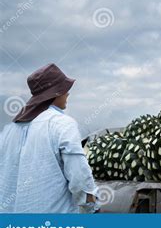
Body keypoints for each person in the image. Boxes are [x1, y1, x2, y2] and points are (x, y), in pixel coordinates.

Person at [0, 63, 99, 213]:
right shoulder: (62, 124)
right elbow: (79, 178)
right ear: (56, 92)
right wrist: (92, 206)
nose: (68, 94)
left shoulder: (10, 129)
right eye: (66, 89)